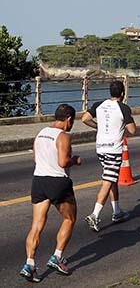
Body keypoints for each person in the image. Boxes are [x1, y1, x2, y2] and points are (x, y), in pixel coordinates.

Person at [20, 104, 81, 282]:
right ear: (68, 119)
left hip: (39, 180)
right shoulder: (63, 136)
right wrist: (75, 160)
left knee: (36, 225)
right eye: (72, 121)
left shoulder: (40, 133)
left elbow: (35, 158)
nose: (72, 125)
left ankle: (29, 264)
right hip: (57, 181)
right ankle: (57, 256)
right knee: (69, 219)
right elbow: (63, 162)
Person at [82, 80, 136, 232]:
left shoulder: (99, 104)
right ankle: (95, 214)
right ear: (123, 93)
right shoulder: (124, 108)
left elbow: (85, 118)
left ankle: (117, 211)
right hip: (114, 149)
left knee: (112, 179)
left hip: (100, 148)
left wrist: (98, 126)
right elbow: (132, 130)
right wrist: (122, 126)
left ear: (110, 92)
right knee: (108, 181)